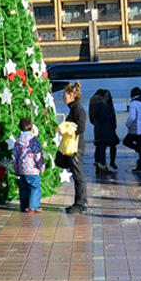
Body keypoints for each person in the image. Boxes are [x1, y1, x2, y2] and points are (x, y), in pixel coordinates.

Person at [59, 81, 88, 214]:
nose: (63, 96)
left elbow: (81, 128)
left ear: (72, 95)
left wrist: (68, 129)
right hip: (72, 147)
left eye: (65, 94)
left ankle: (80, 204)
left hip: (75, 147)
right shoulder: (73, 108)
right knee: (71, 169)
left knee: (78, 175)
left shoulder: (78, 109)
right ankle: (80, 202)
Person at [12, 116, 45, 213]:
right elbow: (38, 155)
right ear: (31, 128)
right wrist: (41, 166)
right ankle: (33, 207)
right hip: (33, 169)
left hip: (22, 168)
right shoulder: (33, 140)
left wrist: (16, 168)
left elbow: (15, 155)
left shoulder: (18, 140)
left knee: (24, 188)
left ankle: (24, 206)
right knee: (34, 188)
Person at [88, 88, 119, 173]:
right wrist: (111, 114)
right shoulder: (102, 104)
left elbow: (92, 119)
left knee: (99, 147)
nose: (108, 98)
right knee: (102, 147)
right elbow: (104, 117)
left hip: (97, 129)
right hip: (104, 129)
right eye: (106, 96)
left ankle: (98, 165)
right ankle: (103, 166)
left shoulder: (93, 104)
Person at [123, 86, 141, 172]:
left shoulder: (133, 103)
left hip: (135, 129)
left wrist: (127, 124)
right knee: (140, 145)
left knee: (126, 142)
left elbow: (132, 117)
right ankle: (140, 167)